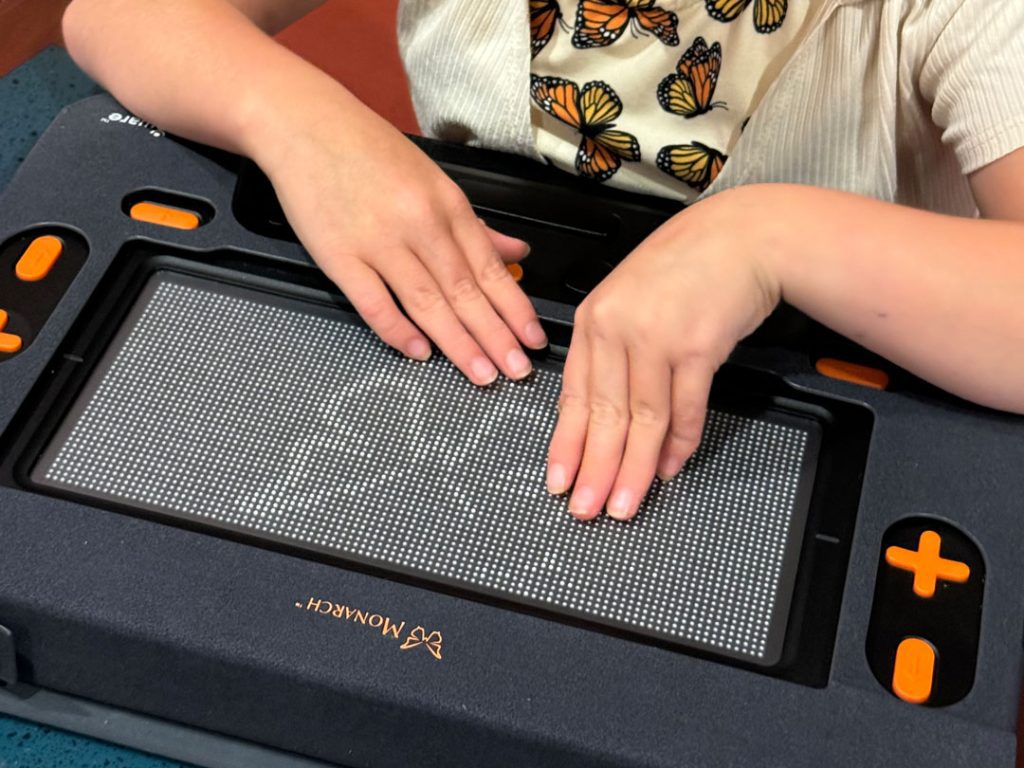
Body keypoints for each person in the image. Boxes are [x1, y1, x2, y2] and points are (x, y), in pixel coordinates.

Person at [61, 0, 1024, 523]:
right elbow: (114, 15)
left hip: (809, 382)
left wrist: (767, 236)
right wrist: (298, 119)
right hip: (462, 331)